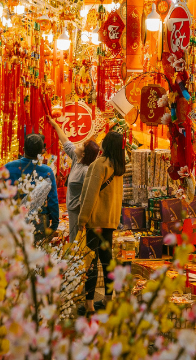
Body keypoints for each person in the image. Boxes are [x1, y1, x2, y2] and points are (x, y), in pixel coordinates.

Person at [78, 132, 126, 312]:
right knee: (107, 262)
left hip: (95, 220)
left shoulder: (100, 164)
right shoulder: (119, 167)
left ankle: (89, 305)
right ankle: (108, 300)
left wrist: (82, 219)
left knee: (91, 262)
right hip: (110, 221)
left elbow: (90, 195)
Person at [48, 114, 99, 238]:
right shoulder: (77, 160)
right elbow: (65, 141)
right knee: (73, 241)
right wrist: (54, 124)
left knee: (76, 243)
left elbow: (89, 195)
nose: (77, 146)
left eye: (81, 146)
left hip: (79, 212)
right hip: (71, 210)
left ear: (84, 154)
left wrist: (83, 217)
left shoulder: (86, 171)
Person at [3, 133, 60, 240]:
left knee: (15, 252)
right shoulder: (47, 171)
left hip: (14, 217)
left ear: (23, 149)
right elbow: (53, 199)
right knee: (37, 253)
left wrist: (5, 198)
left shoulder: (9, 167)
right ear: (41, 152)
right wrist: (55, 222)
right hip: (39, 220)